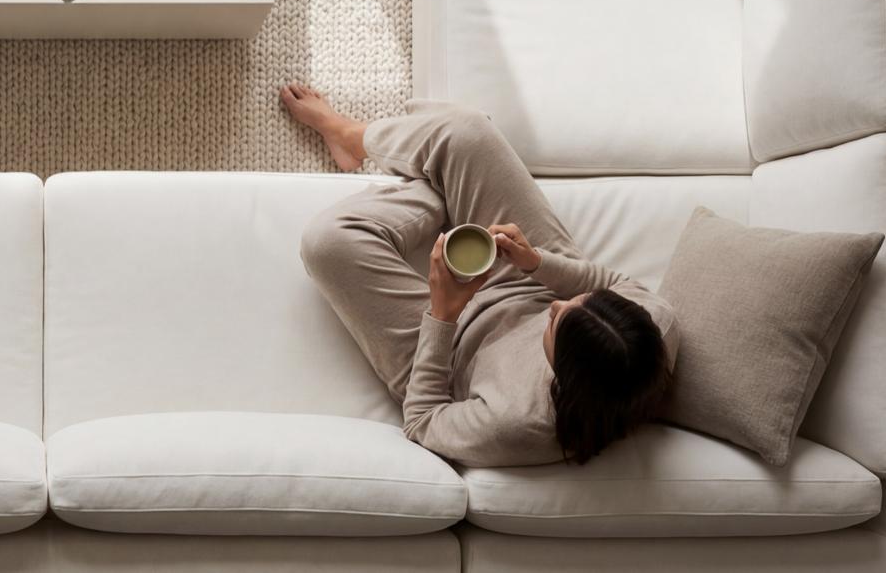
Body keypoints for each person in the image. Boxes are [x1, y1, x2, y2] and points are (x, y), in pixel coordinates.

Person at [281, 85, 675, 468]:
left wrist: (443, 314)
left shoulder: (517, 425)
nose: (557, 305)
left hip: (451, 353)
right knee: (467, 131)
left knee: (326, 242)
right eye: (578, 302)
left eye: (556, 322)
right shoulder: (654, 326)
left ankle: (436, 184)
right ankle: (349, 136)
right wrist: (536, 262)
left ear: (560, 376)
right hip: (525, 281)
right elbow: (611, 283)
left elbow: (423, 421)